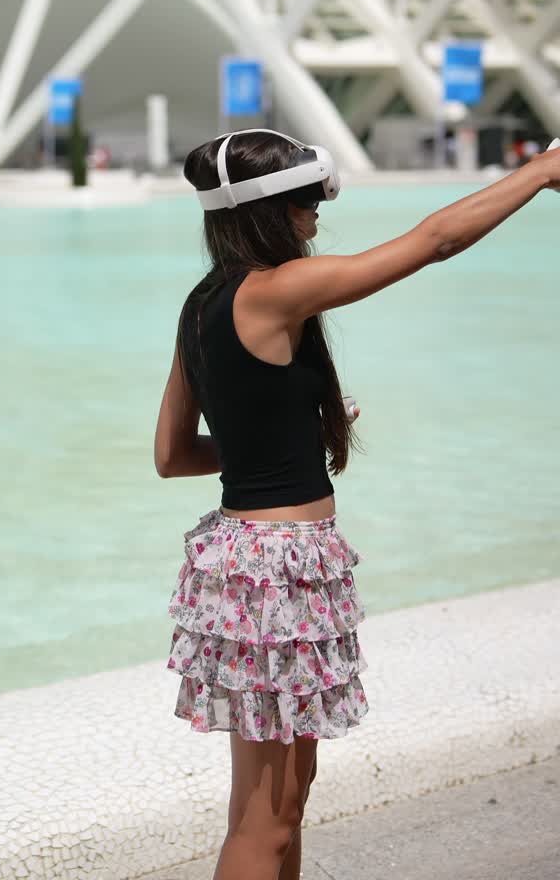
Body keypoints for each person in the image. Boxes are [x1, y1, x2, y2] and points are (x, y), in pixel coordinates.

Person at [153, 127, 560, 880]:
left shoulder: (201, 304)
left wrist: (291, 440)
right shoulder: (276, 291)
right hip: (277, 570)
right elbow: (434, 240)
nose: (318, 211)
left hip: (246, 561)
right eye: (307, 197)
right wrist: (541, 173)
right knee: (266, 822)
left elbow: (173, 455)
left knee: (280, 801)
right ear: (271, 208)